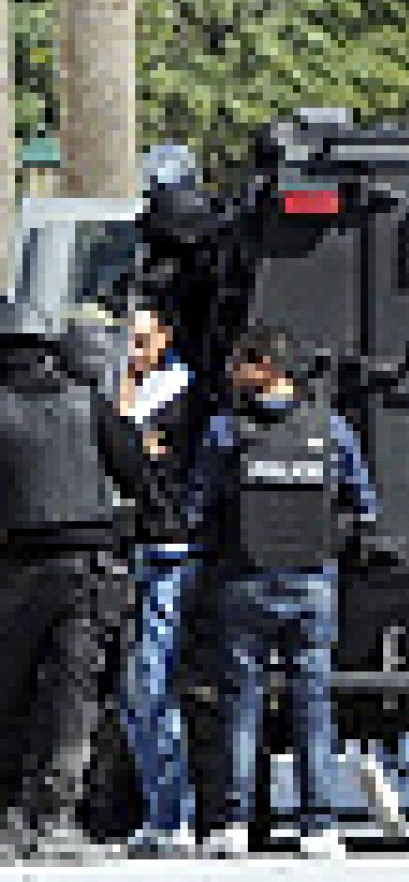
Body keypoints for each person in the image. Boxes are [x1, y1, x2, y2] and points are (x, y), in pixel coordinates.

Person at [186, 326, 382, 859]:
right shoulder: (332, 427)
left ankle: (232, 822)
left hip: (244, 579)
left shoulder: (227, 431)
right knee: (312, 706)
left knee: (240, 705)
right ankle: (319, 824)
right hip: (313, 579)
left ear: (266, 367)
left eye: (240, 363)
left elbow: (198, 506)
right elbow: (364, 504)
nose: (231, 374)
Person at [0, 302, 179, 859]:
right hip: (90, 572)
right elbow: (142, 481)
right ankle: (51, 818)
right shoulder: (89, 405)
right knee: (72, 697)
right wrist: (153, 524)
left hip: (15, 573)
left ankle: (9, 816)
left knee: (10, 695)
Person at [116, 307, 202, 856]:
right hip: (135, 547)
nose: (133, 350)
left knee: (153, 682)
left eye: (142, 340)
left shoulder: (179, 392)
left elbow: (133, 453)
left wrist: (128, 417)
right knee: (134, 691)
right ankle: (160, 809)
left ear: (165, 338)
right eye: (126, 339)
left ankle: (173, 814)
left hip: (167, 550)